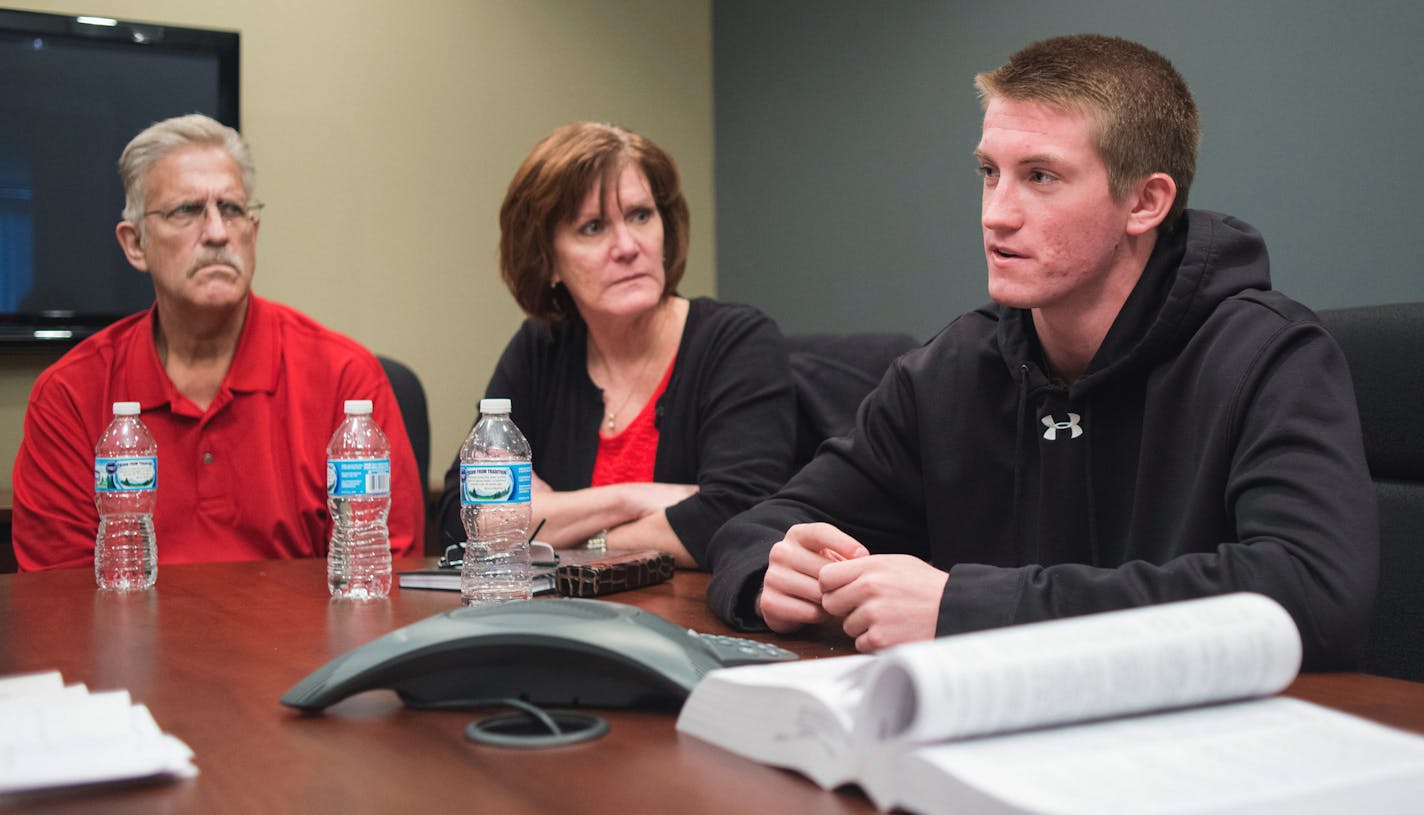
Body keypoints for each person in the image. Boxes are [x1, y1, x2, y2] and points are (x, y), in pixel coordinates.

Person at [705, 34, 1377, 670]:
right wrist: (773, 568)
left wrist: (968, 608)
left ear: (1145, 201)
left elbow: (1313, 593)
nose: (997, 213)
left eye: (1041, 176)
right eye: (988, 172)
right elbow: (757, 524)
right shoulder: (949, 371)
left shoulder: (1269, 355)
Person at [12, 114, 424, 570]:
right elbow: (58, 601)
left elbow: (383, 582)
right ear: (135, 245)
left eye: (231, 209)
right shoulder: (70, 396)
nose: (216, 233)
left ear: (254, 231)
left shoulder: (346, 381)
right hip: (126, 643)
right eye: (186, 210)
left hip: (309, 644)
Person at [437, 122, 794, 568]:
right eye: (592, 227)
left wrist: (572, 535)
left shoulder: (736, 341)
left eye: (641, 215)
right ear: (547, 262)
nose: (627, 246)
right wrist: (631, 499)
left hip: (694, 626)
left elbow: (735, 518)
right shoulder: (541, 348)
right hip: (564, 626)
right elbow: (462, 515)